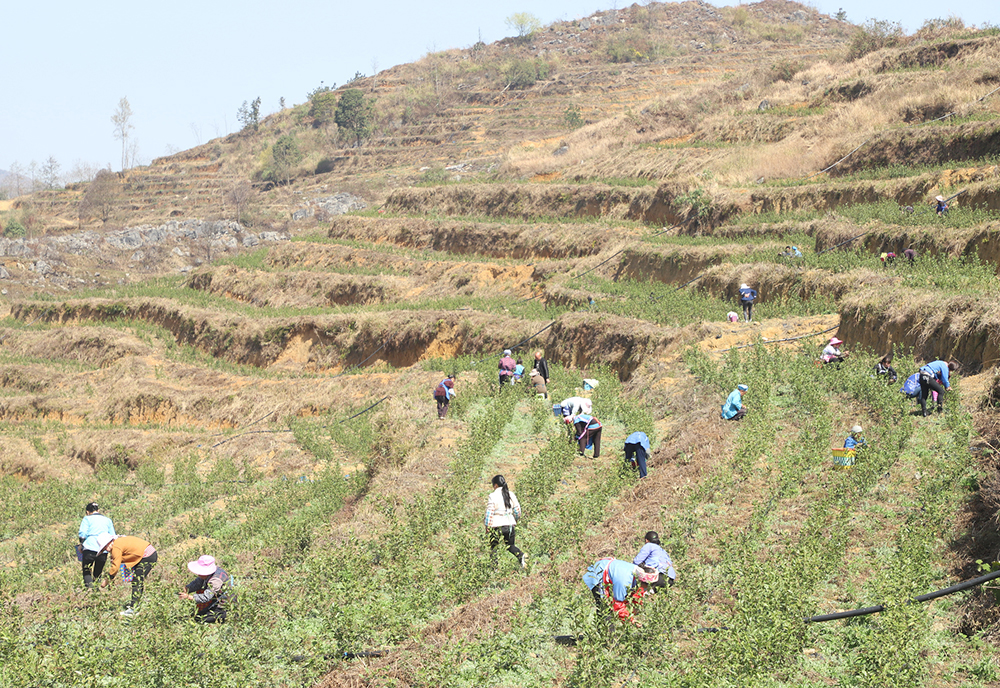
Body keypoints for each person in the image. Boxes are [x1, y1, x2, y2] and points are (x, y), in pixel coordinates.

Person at [582, 558, 660, 625]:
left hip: (613, 574)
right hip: (598, 573)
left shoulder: (639, 573)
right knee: (605, 608)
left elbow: (637, 596)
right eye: (647, 586)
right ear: (641, 581)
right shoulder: (624, 581)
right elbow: (617, 604)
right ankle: (607, 638)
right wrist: (631, 621)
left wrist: (635, 609)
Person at [95, 533, 158, 616]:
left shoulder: (116, 547)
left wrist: (106, 581)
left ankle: (134, 609)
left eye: (105, 547)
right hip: (147, 554)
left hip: (147, 555)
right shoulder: (119, 542)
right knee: (138, 580)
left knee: (137, 581)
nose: (107, 550)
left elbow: (115, 567)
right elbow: (130, 554)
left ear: (109, 542)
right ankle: (136, 605)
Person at [485, 475, 526, 569]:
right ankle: (521, 556)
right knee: (510, 546)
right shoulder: (511, 494)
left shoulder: (493, 496)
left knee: (494, 548)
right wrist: (514, 519)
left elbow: (489, 512)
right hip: (509, 524)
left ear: (495, 485)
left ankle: (494, 568)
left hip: (496, 524)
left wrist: (487, 526)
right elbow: (517, 510)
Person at [179, 555, 234, 623]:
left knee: (200, 619)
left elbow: (207, 596)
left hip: (224, 605)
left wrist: (189, 597)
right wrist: (187, 588)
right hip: (214, 600)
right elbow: (198, 583)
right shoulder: (206, 575)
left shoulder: (216, 580)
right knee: (197, 615)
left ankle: (224, 617)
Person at [78, 502, 116, 589]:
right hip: (103, 549)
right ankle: (97, 590)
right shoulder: (107, 520)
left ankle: (89, 590)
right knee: (98, 572)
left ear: (87, 512)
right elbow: (113, 535)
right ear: (98, 510)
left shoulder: (87, 519)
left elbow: (82, 534)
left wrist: (81, 545)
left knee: (87, 571)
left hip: (89, 548)